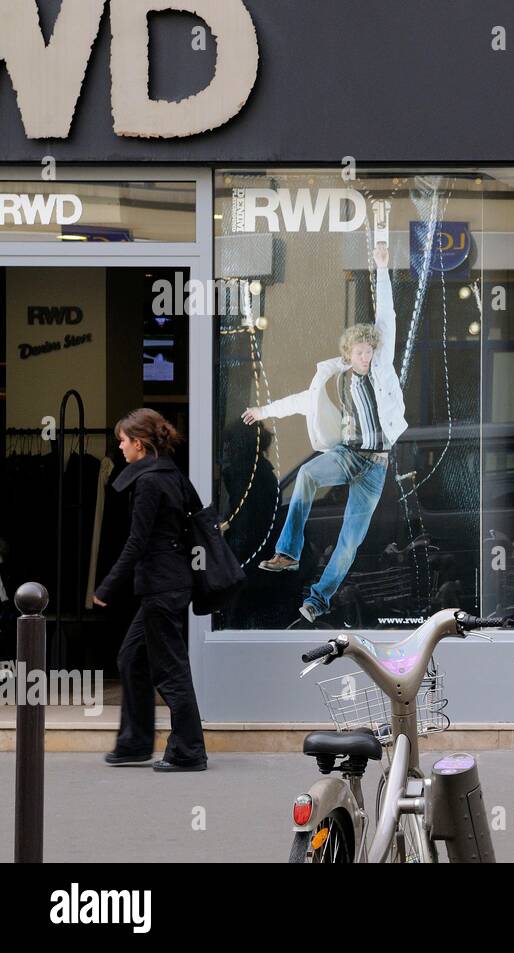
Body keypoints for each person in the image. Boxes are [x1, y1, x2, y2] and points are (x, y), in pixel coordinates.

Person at [243, 241, 406, 624]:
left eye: (370, 351)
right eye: (360, 353)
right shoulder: (334, 381)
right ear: (348, 354)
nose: (366, 358)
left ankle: (318, 600)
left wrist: (382, 268)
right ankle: (289, 552)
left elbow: (388, 316)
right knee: (307, 475)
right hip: (346, 455)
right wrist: (263, 410)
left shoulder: (382, 369)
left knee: (351, 540)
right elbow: (300, 401)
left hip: (375, 467)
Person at [94, 409, 207, 772]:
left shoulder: (147, 482)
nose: (121, 449)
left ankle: (188, 751)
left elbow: (137, 542)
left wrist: (108, 585)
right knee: (131, 657)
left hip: (161, 586)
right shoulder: (172, 474)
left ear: (139, 444)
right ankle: (135, 743)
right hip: (173, 583)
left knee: (171, 671)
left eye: (123, 442)